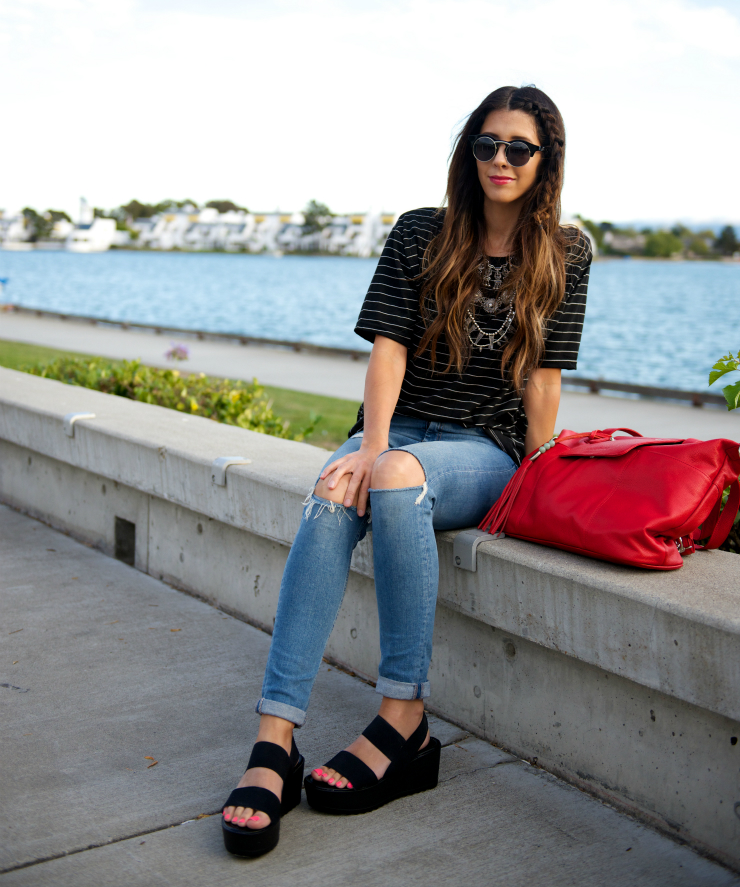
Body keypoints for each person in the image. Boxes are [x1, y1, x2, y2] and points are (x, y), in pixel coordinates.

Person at [221, 84, 592, 856]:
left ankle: (404, 721)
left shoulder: (568, 252)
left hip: (483, 448)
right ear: (469, 152)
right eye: (486, 144)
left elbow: (546, 378)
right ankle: (275, 738)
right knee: (335, 491)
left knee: (394, 478)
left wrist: (540, 469)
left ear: (545, 160)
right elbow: (388, 344)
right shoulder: (423, 232)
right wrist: (368, 444)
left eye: (518, 148)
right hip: (400, 431)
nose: (499, 159)